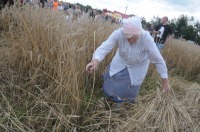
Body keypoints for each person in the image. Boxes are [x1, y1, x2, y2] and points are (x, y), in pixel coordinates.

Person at [86, 16, 170, 104]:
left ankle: (123, 105)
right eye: (128, 38)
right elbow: (104, 47)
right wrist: (95, 61)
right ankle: (108, 98)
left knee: (128, 89)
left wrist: (165, 83)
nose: (131, 41)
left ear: (139, 33)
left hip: (138, 65)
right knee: (112, 79)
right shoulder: (119, 33)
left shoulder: (146, 39)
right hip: (121, 60)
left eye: (134, 38)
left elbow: (159, 61)